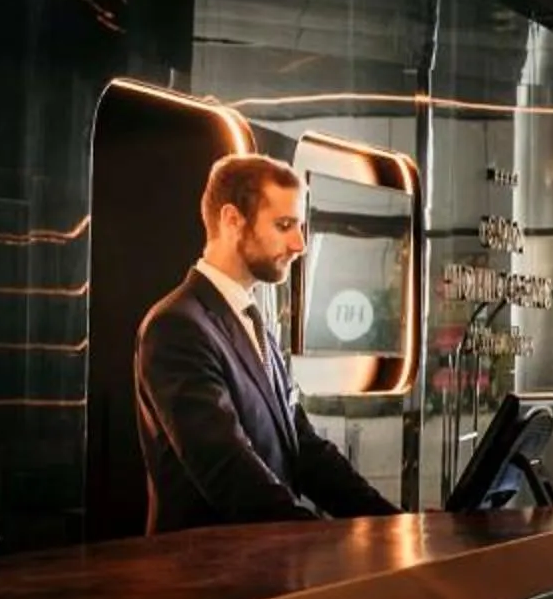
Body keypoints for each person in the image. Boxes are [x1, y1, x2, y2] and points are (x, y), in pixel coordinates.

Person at [134, 153, 398, 533]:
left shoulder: (252, 321)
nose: (300, 244)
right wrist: (312, 540)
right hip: (207, 579)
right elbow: (229, 471)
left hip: (263, 566)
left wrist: (394, 525)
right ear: (231, 221)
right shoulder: (176, 327)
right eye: (285, 225)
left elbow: (304, 449)